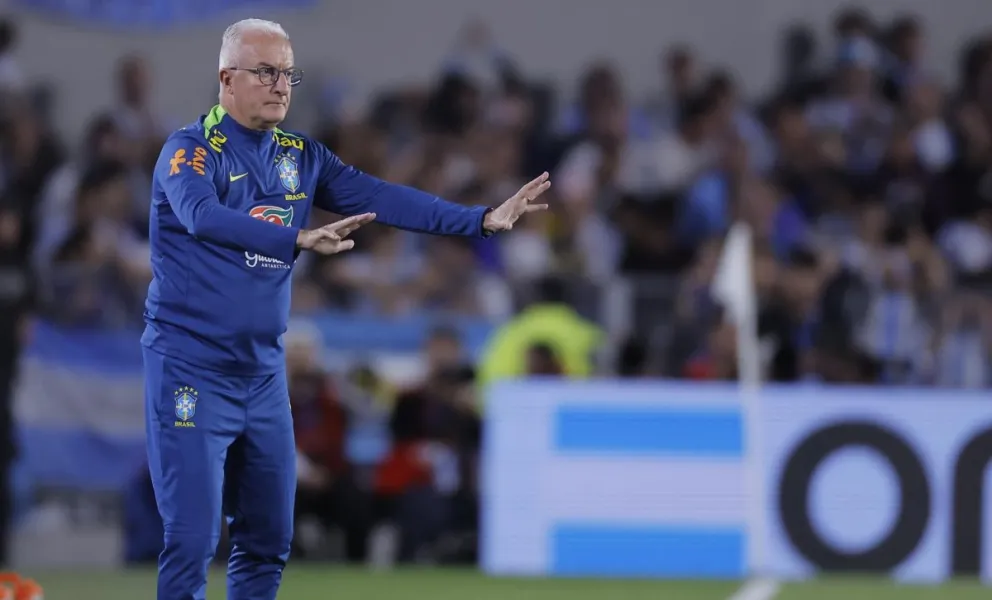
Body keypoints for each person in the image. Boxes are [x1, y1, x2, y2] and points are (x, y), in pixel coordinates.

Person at [141, 18, 550, 600]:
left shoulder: (301, 156)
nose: (280, 85)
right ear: (226, 79)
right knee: (191, 539)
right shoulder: (189, 151)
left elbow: (382, 198)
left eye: (287, 74)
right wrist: (296, 238)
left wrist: (480, 219)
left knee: (268, 540)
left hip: (261, 375)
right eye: (265, 72)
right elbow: (201, 217)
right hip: (189, 370)